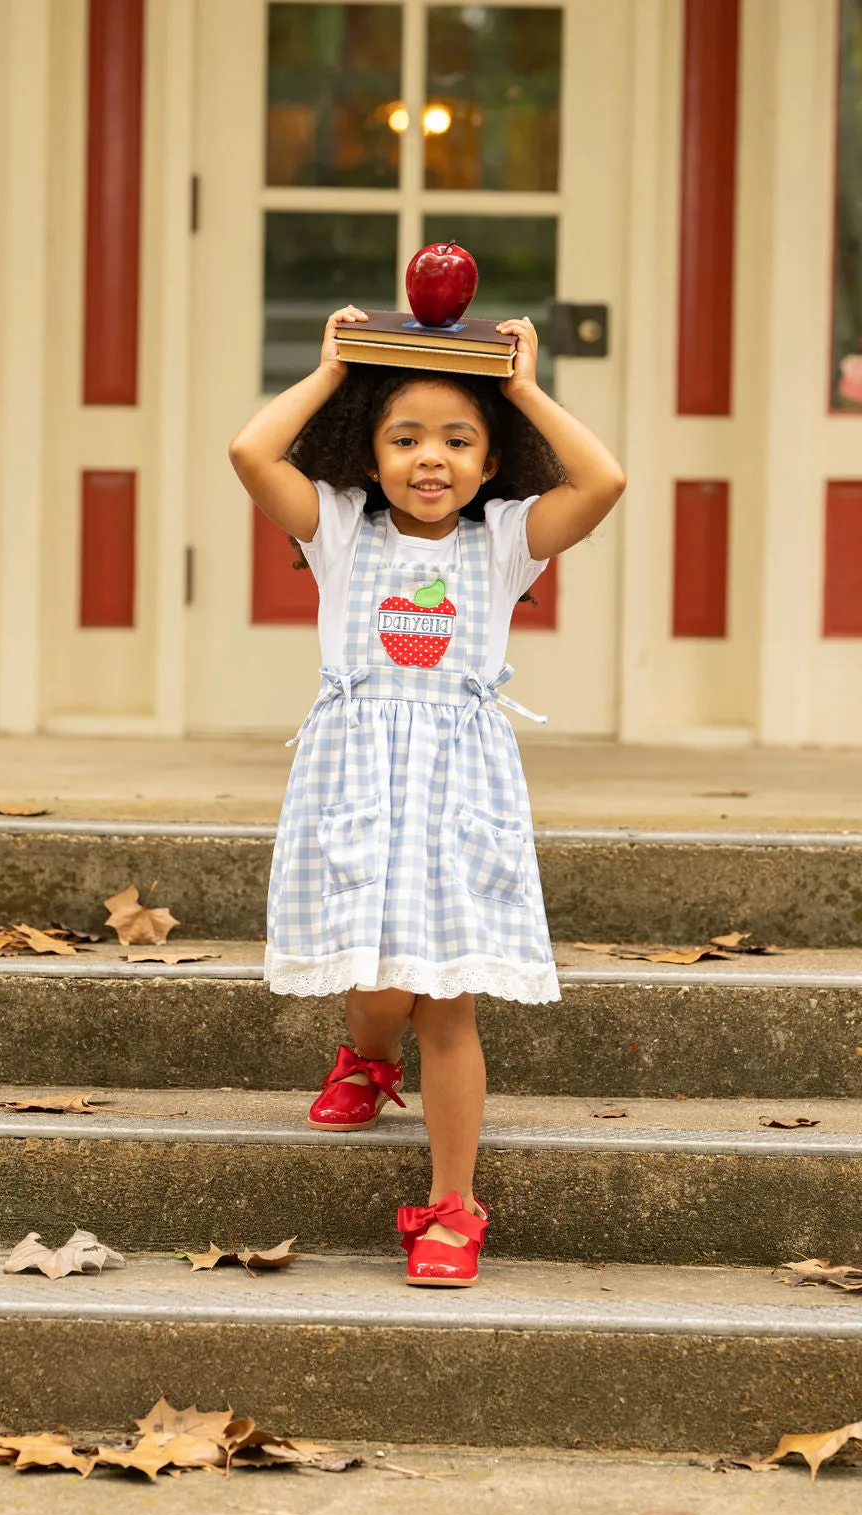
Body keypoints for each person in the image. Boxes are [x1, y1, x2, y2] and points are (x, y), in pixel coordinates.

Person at [229, 307, 626, 1287]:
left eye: (459, 440)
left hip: (458, 788)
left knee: (443, 995)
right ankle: (365, 1057)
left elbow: (604, 481)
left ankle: (454, 1205)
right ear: (368, 454)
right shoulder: (335, 529)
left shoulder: (502, 543)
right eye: (404, 439)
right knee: (378, 974)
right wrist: (331, 370)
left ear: (492, 463)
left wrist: (523, 387)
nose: (431, 459)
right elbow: (250, 448)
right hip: (357, 774)